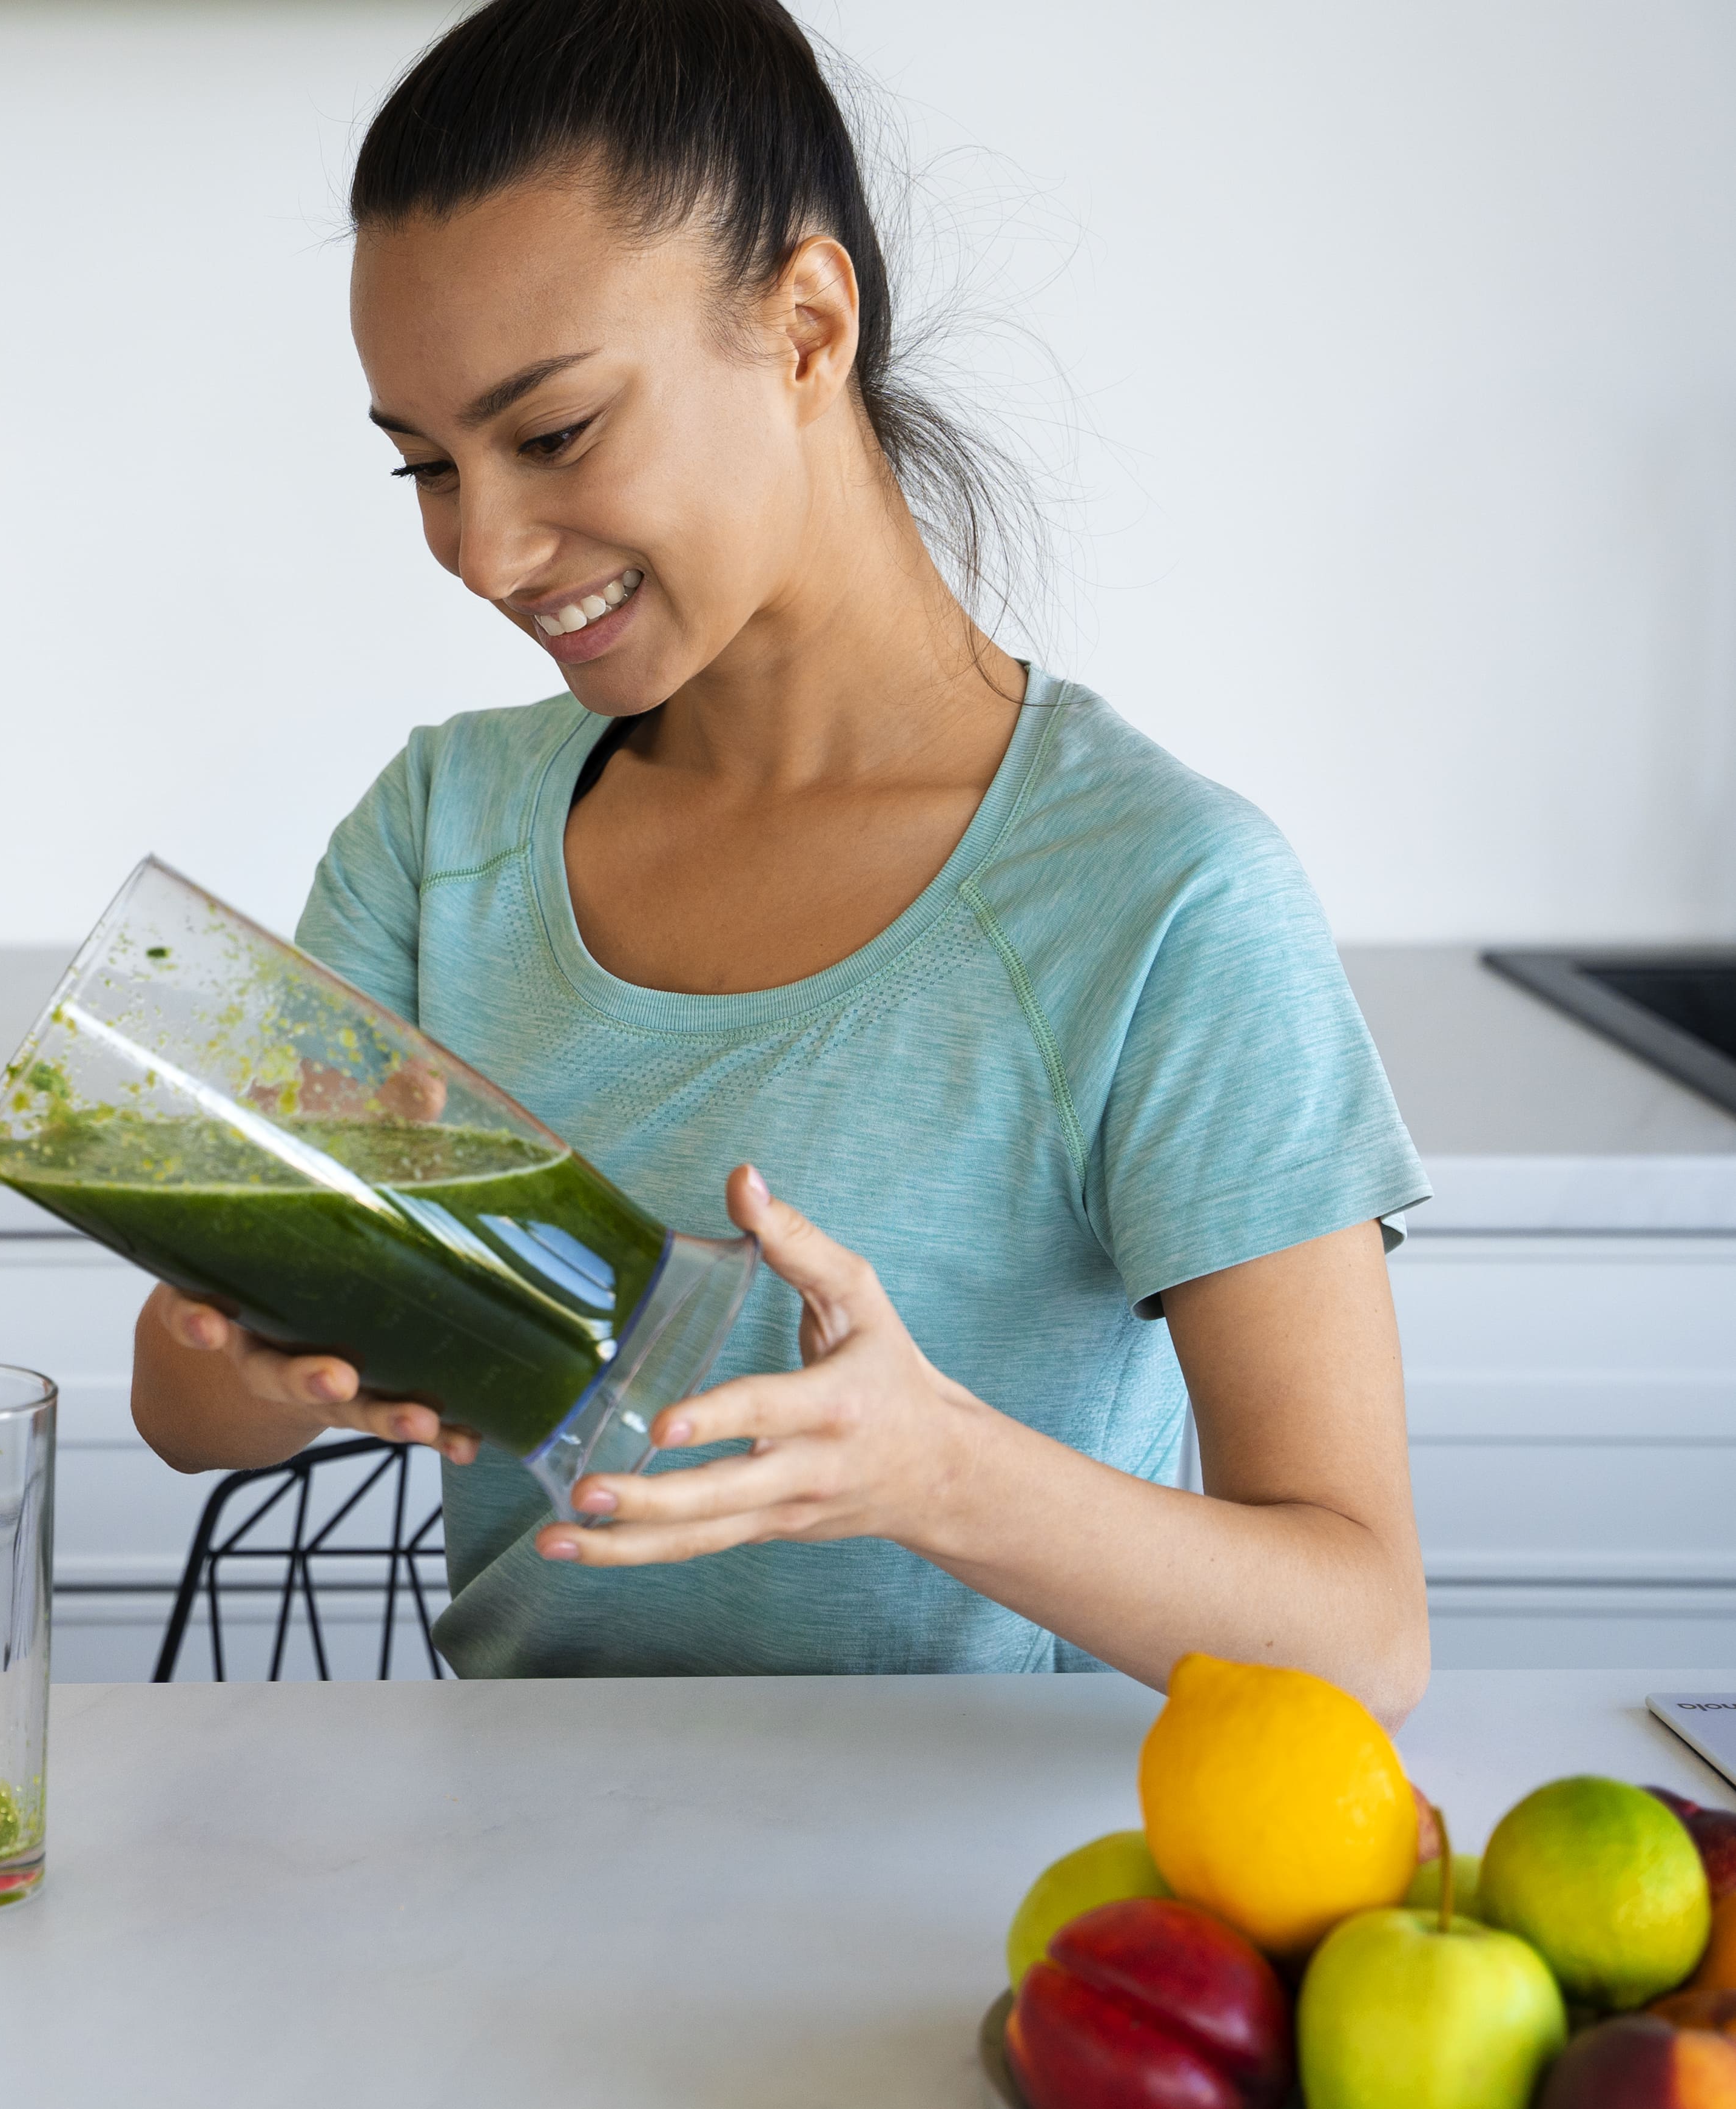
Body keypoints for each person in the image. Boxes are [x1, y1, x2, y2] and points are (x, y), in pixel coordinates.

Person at [129, 0, 1431, 1716]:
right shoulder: (438, 842)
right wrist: (291, 1350)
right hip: (490, 1885)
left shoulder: (1158, 897)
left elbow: (1362, 1634)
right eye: (426, 467)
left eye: (555, 433)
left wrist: (933, 1471)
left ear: (806, 326)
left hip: (973, 1923)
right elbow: (177, 1406)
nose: (481, 548)